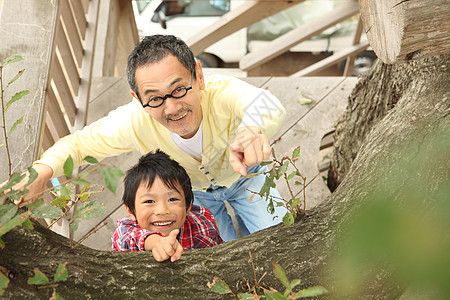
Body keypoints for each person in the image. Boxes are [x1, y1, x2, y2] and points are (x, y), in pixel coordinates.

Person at [14, 34, 287, 241]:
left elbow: (267, 104)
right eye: (155, 98)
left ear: (199, 76)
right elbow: (78, 144)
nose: (172, 108)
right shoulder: (135, 120)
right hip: (194, 195)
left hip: (246, 177)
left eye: (179, 89)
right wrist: (42, 171)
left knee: (280, 237)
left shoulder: (222, 92)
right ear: (138, 98)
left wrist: (250, 130)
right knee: (223, 250)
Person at [112, 150, 222, 262]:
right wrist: (155, 242)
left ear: (188, 206)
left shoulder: (202, 224)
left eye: (172, 199)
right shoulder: (126, 230)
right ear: (131, 211)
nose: (162, 210)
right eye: (149, 201)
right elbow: (127, 238)